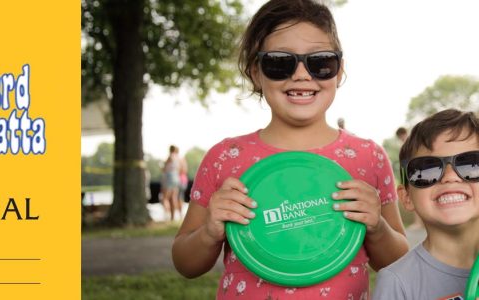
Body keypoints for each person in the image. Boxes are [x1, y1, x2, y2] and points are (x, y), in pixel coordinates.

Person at [172, 1, 409, 298]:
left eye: (320, 62)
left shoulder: (368, 157)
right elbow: (185, 263)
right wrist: (209, 231)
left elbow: (399, 261)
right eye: (280, 63)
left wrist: (377, 228)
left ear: (339, 70)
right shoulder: (224, 158)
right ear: (256, 72)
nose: (301, 75)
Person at [373, 109, 479, 300]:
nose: (450, 176)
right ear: (406, 197)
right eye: (426, 169)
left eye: (472, 164)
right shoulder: (396, 282)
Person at [397, 126, 424, 230]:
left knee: (420, 199)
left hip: (417, 176)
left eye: (402, 135)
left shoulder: (415, 145)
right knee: (414, 199)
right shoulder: (404, 148)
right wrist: (404, 182)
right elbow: (403, 167)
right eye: (400, 137)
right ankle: (418, 222)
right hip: (410, 177)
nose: (402, 138)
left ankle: (420, 223)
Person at [161, 145, 183, 221]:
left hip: (169, 177)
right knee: (174, 197)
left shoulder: (170, 157)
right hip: (176, 177)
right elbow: (180, 169)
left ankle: (166, 215)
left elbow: (164, 169)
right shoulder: (178, 158)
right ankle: (173, 217)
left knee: (165, 198)